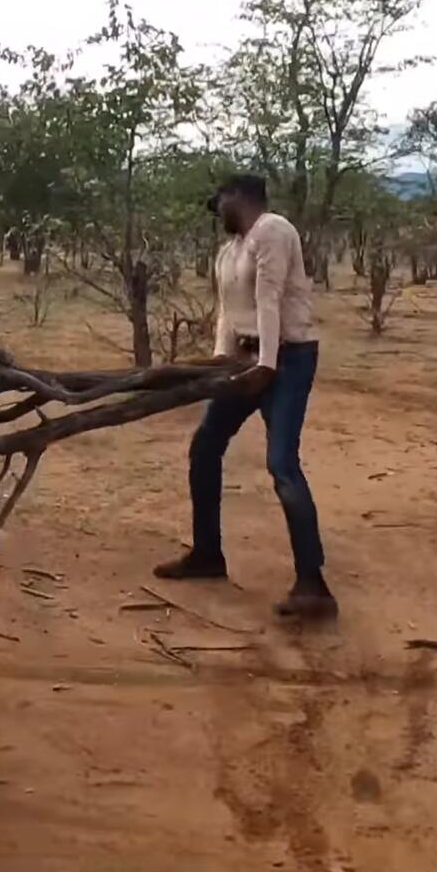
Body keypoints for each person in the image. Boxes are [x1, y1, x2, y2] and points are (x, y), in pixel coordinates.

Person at [153, 173, 334, 620]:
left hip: (288, 359)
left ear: (239, 197)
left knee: (282, 464)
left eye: (220, 202)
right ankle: (207, 554)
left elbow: (269, 298)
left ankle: (313, 585)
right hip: (248, 359)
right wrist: (222, 362)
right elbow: (229, 313)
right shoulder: (229, 251)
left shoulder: (273, 229)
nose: (217, 212)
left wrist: (266, 367)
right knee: (206, 445)